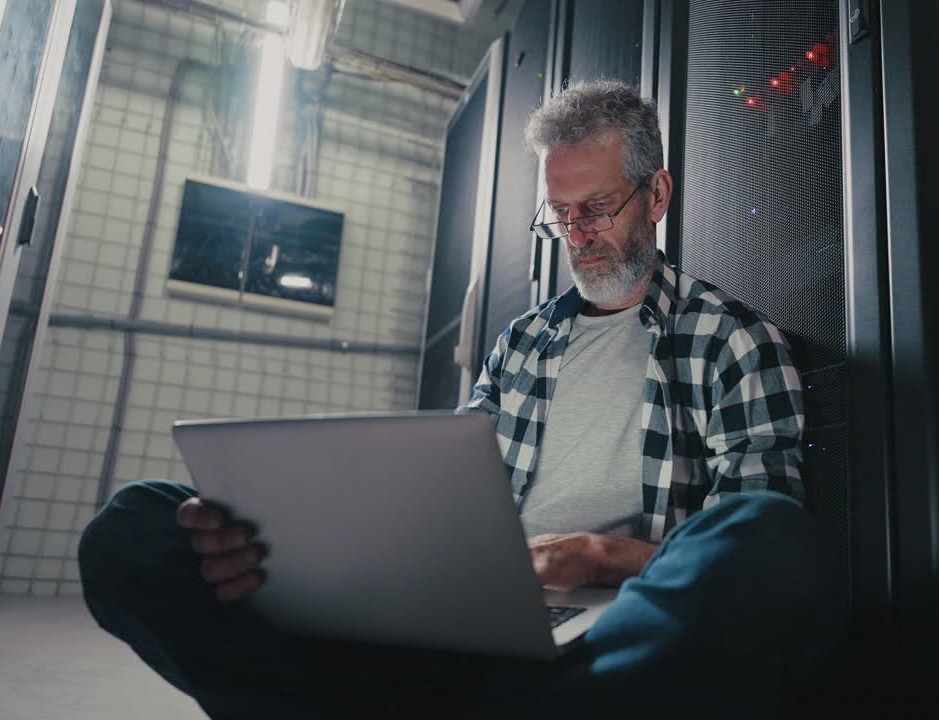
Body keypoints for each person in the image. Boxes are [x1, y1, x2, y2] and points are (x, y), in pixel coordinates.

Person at [79, 79, 842, 719]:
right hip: (459, 620)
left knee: (772, 539)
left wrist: (602, 556)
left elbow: (740, 542)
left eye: (597, 208)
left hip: (607, 640)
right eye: (561, 214)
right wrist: (323, 549)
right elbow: (443, 502)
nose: (577, 236)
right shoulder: (519, 346)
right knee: (137, 526)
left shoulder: (732, 342)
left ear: (658, 194)